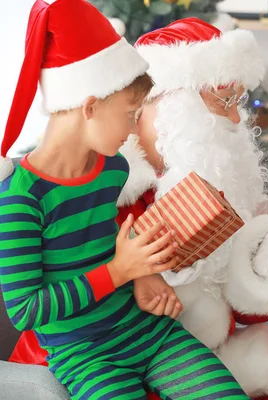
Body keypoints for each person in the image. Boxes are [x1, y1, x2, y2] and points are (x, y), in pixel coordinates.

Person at [0, 2, 248, 399]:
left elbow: (110, 237)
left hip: (149, 332)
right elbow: (27, 311)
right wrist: (119, 272)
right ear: (90, 106)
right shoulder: (20, 199)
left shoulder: (113, 169)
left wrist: (141, 273)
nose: (137, 127)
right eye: (132, 114)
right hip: (84, 356)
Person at [117, 17, 268, 398]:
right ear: (173, 104)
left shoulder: (227, 185)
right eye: (224, 102)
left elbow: (246, 314)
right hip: (136, 359)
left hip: (205, 356)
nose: (237, 119)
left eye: (237, 102)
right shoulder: (117, 191)